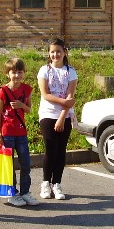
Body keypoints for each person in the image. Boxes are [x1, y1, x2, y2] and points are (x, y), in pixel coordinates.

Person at [0, 58, 38, 207]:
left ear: (24, 73)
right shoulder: (3, 91)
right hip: (7, 133)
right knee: (9, 165)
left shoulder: (26, 89)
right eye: (13, 72)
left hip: (21, 133)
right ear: (8, 74)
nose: (17, 75)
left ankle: (25, 192)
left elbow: (30, 109)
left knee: (25, 163)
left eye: (20, 72)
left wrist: (21, 105)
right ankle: (12, 194)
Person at [37, 38, 78, 200]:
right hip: (47, 114)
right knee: (50, 148)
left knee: (61, 150)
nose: (55, 54)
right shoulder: (44, 70)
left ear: (64, 52)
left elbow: (71, 96)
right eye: (52, 51)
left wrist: (62, 117)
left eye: (58, 51)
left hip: (65, 115)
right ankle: (46, 183)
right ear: (49, 53)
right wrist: (65, 103)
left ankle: (57, 184)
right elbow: (45, 94)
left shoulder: (71, 72)